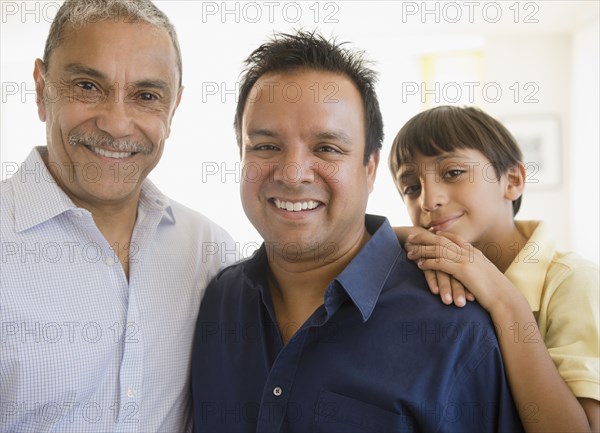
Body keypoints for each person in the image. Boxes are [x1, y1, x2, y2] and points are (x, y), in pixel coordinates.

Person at [191, 31, 524, 432]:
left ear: (369, 169)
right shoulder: (215, 302)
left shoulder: (458, 330)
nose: (294, 173)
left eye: (327, 148)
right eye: (265, 147)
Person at [0, 1, 234, 432]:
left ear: (173, 108)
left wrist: (387, 249)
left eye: (146, 96)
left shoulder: (211, 252)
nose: (116, 123)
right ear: (40, 89)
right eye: (88, 86)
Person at [388, 105, 599, 432]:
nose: (429, 200)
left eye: (452, 173)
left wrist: (504, 300)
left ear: (512, 180)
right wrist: (409, 236)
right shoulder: (429, 272)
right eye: (412, 187)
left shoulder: (572, 281)